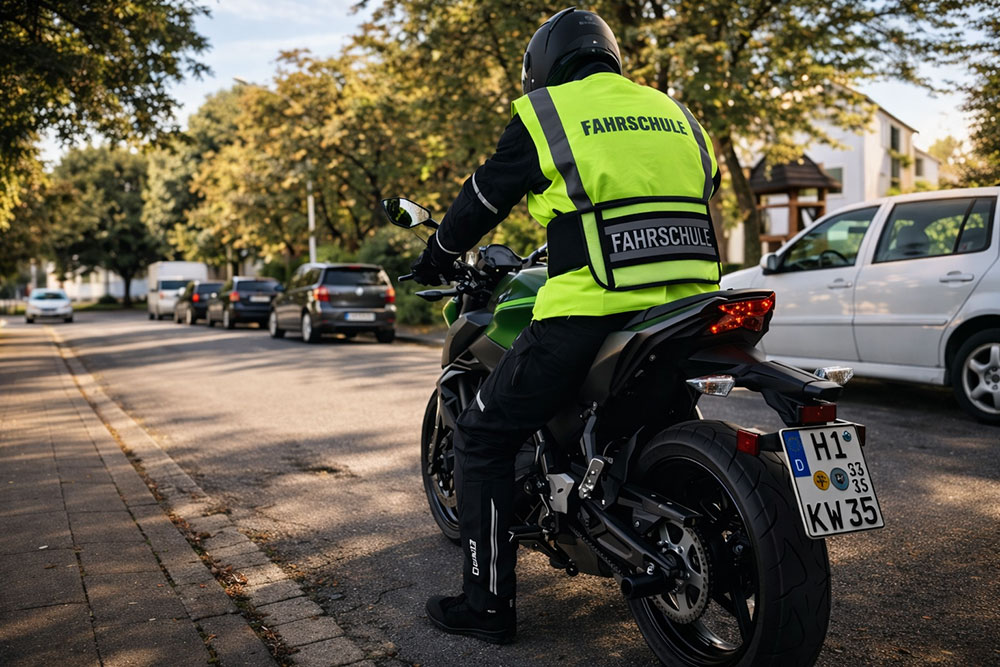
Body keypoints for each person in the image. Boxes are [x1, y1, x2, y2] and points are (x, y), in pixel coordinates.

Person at [411, 7, 722, 645]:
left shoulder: (546, 113)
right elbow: (706, 181)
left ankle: (487, 606)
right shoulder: (678, 114)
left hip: (592, 309)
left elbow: (483, 199)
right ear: (608, 55)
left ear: (546, 68)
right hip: (687, 309)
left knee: (483, 438)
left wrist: (437, 253)